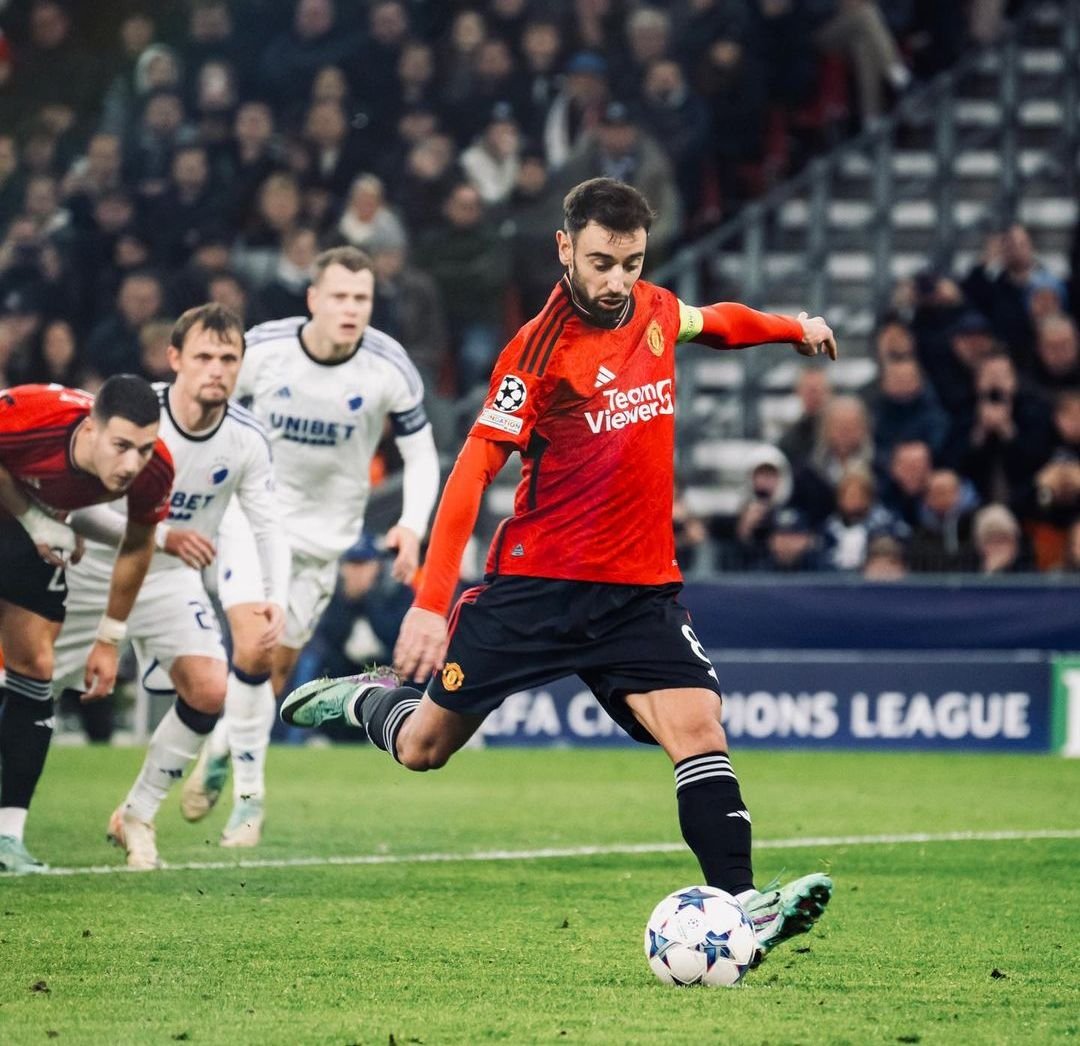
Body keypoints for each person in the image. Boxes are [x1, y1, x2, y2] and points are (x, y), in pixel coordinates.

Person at [280, 178, 835, 966]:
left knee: (699, 726)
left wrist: (793, 328)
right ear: (565, 248)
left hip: (639, 591)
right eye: (602, 263)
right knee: (425, 749)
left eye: (631, 263)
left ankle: (744, 908)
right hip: (536, 590)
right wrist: (430, 606)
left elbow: (717, 324)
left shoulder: (652, 308)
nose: (616, 282)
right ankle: (371, 700)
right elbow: (470, 476)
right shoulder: (536, 353)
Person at [180, 245, 439, 841]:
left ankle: (221, 748)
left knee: (278, 669)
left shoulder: (387, 366)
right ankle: (251, 799)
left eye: (362, 299)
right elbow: (205, 409)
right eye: (341, 297)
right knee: (252, 646)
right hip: (253, 520)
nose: (352, 309)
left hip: (327, 541)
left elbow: (420, 454)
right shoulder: (263, 350)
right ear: (313, 299)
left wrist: (413, 524)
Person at [54, 304, 289, 868]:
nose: (216, 369)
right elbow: (74, 497)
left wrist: (275, 597)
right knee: (24, 686)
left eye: (228, 358)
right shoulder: (137, 418)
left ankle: (136, 815)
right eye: (204, 356)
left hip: (166, 581)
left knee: (210, 690)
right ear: (175, 359)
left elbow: (268, 523)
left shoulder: (247, 439)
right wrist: (158, 536)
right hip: (93, 572)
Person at [0, 374, 173, 873]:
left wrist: (109, 638)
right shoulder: (31, 414)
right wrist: (38, 521)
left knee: (35, 665)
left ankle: (8, 839)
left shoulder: (154, 469)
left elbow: (137, 545)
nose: (132, 463)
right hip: (28, 522)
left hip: (29, 530)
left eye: (143, 448)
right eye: (121, 446)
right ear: (90, 429)